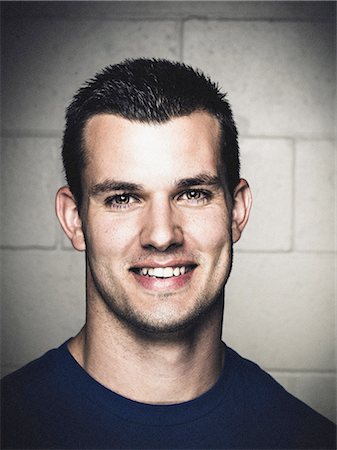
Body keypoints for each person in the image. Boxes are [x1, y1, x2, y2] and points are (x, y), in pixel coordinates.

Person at [1, 58, 335, 450]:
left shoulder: (309, 439)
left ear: (237, 210)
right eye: (122, 198)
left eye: (193, 194)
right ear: (74, 219)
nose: (161, 235)